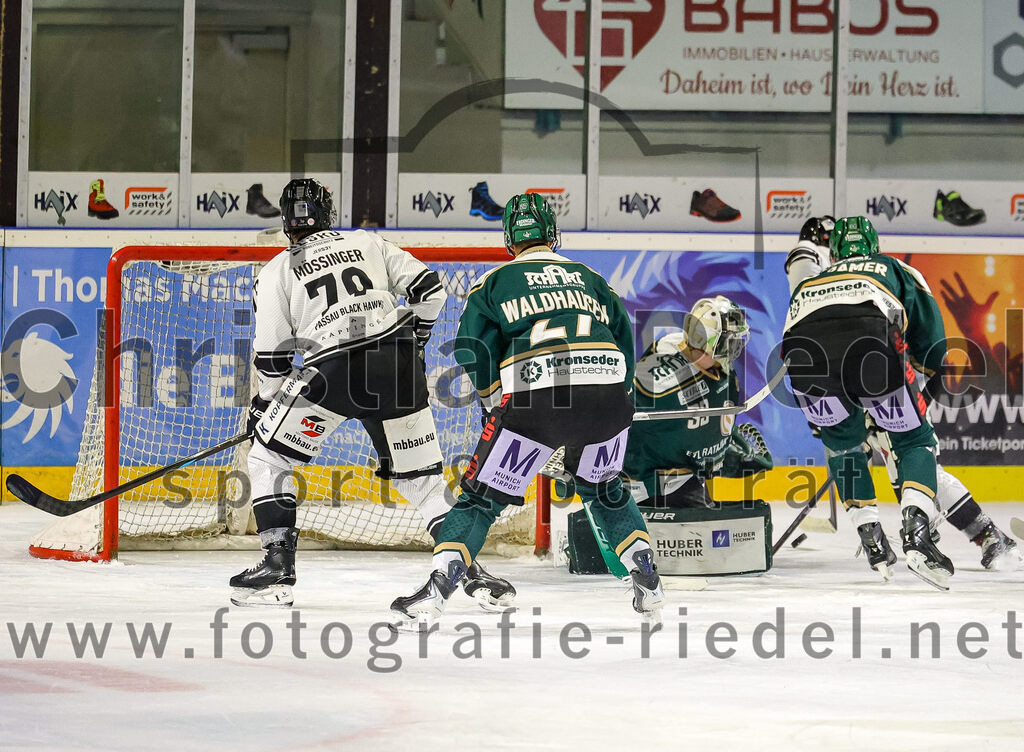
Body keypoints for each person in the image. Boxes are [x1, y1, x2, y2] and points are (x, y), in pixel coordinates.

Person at [230, 178, 514, 607]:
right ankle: (471, 572)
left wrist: (264, 405)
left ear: (286, 222)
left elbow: (271, 356)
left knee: (268, 455)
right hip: (395, 367)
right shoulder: (367, 242)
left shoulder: (277, 269)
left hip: (333, 370)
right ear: (327, 213)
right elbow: (430, 290)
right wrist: (414, 341)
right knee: (423, 482)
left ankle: (277, 567)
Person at [389, 193, 664, 628]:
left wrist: (495, 396)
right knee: (607, 489)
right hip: (609, 397)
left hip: (537, 399)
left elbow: (469, 346)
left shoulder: (495, 281)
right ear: (553, 235)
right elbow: (624, 338)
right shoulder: (591, 278)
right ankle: (646, 576)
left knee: (479, 500)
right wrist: (616, 399)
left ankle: (437, 591)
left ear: (509, 240)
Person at [786, 216, 1019, 572]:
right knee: (914, 447)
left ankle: (873, 536)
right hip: (873, 362)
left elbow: (799, 327)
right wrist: (928, 376)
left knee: (845, 449)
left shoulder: (814, 279)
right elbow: (928, 338)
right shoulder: (890, 267)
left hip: (808, 363)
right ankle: (956, 531)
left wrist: (828, 422)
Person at [622, 295, 772, 510]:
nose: (734, 350)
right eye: (728, 342)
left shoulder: (718, 369)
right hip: (646, 480)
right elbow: (617, 410)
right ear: (708, 341)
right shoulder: (661, 382)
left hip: (682, 472)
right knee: (706, 524)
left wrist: (730, 447)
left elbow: (707, 425)